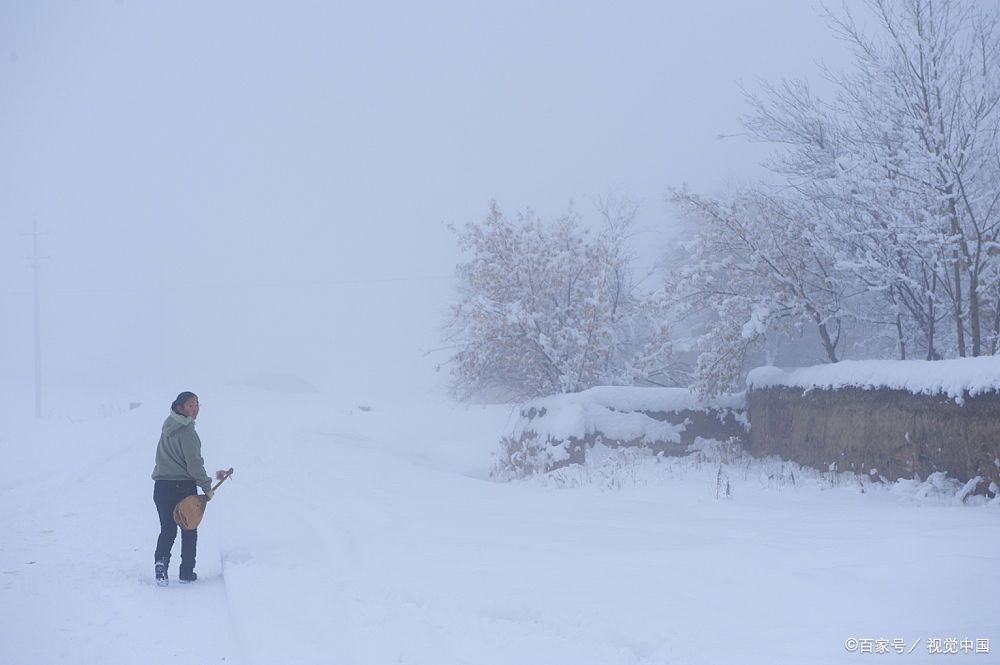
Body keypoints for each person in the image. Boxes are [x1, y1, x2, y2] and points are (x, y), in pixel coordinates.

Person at [151, 391, 214, 586]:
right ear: (181, 408)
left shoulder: (167, 426)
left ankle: (161, 564)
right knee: (189, 529)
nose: (195, 409)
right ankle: (186, 572)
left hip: (161, 486)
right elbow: (194, 465)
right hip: (183, 487)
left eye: (197, 404)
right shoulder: (188, 433)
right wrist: (206, 487)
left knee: (168, 529)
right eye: (190, 405)